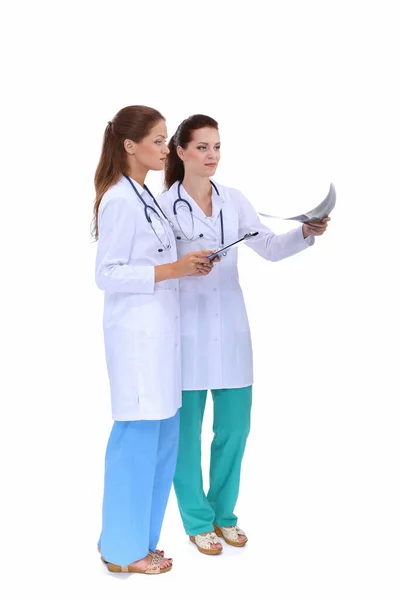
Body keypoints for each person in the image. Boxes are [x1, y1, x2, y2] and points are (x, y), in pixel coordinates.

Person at [158, 114, 330, 555]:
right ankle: (197, 522)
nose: (211, 155)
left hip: (231, 333)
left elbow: (269, 247)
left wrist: (305, 232)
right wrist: (183, 267)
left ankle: (223, 515)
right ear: (179, 152)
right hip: (185, 334)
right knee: (186, 436)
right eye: (201, 147)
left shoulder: (234, 200)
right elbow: (152, 270)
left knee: (234, 430)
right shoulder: (161, 207)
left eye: (216, 147)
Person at [93, 106, 215, 573]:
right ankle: (123, 552)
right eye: (160, 141)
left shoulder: (142, 195)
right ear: (130, 146)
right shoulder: (119, 200)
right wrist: (174, 270)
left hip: (162, 339)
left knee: (163, 442)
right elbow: (106, 274)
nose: (168, 150)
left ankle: (132, 540)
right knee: (138, 442)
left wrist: (190, 264)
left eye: (167, 141)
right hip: (138, 341)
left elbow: (158, 260)